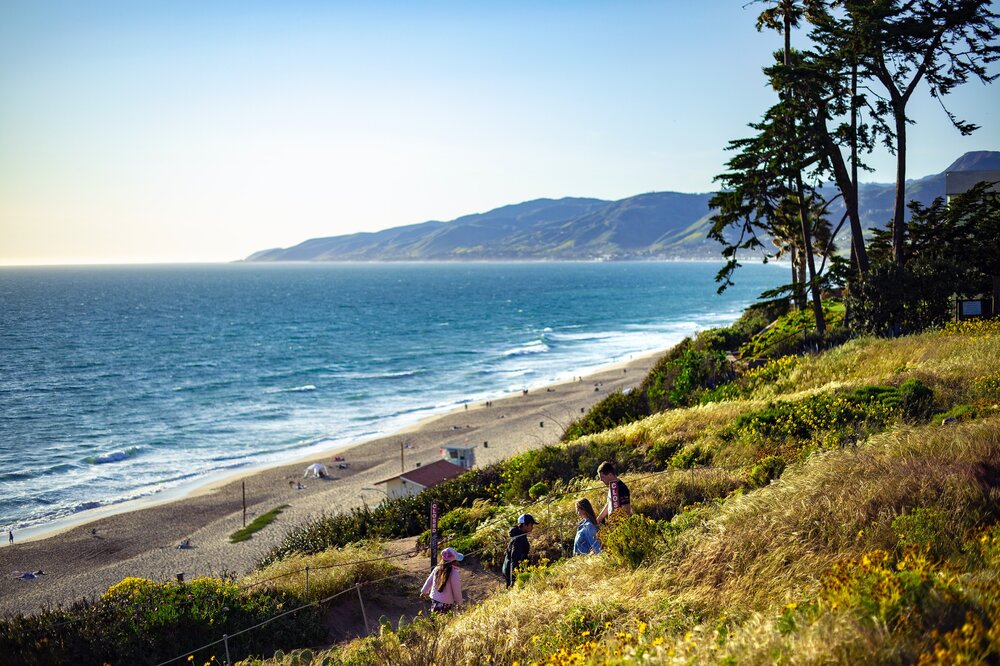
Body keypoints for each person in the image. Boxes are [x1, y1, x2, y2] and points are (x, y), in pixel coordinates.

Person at [420, 547, 464, 613]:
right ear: (455, 560)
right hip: (446, 602)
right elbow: (456, 590)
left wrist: (424, 592)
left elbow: (429, 580)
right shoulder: (454, 573)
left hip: (435, 598)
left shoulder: (437, 568)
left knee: (435, 616)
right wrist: (459, 603)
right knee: (442, 619)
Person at [502, 513, 537, 588]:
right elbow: (514, 559)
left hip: (512, 570)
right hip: (511, 571)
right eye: (531, 525)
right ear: (524, 525)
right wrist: (513, 580)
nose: (532, 527)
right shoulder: (518, 539)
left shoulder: (520, 535)